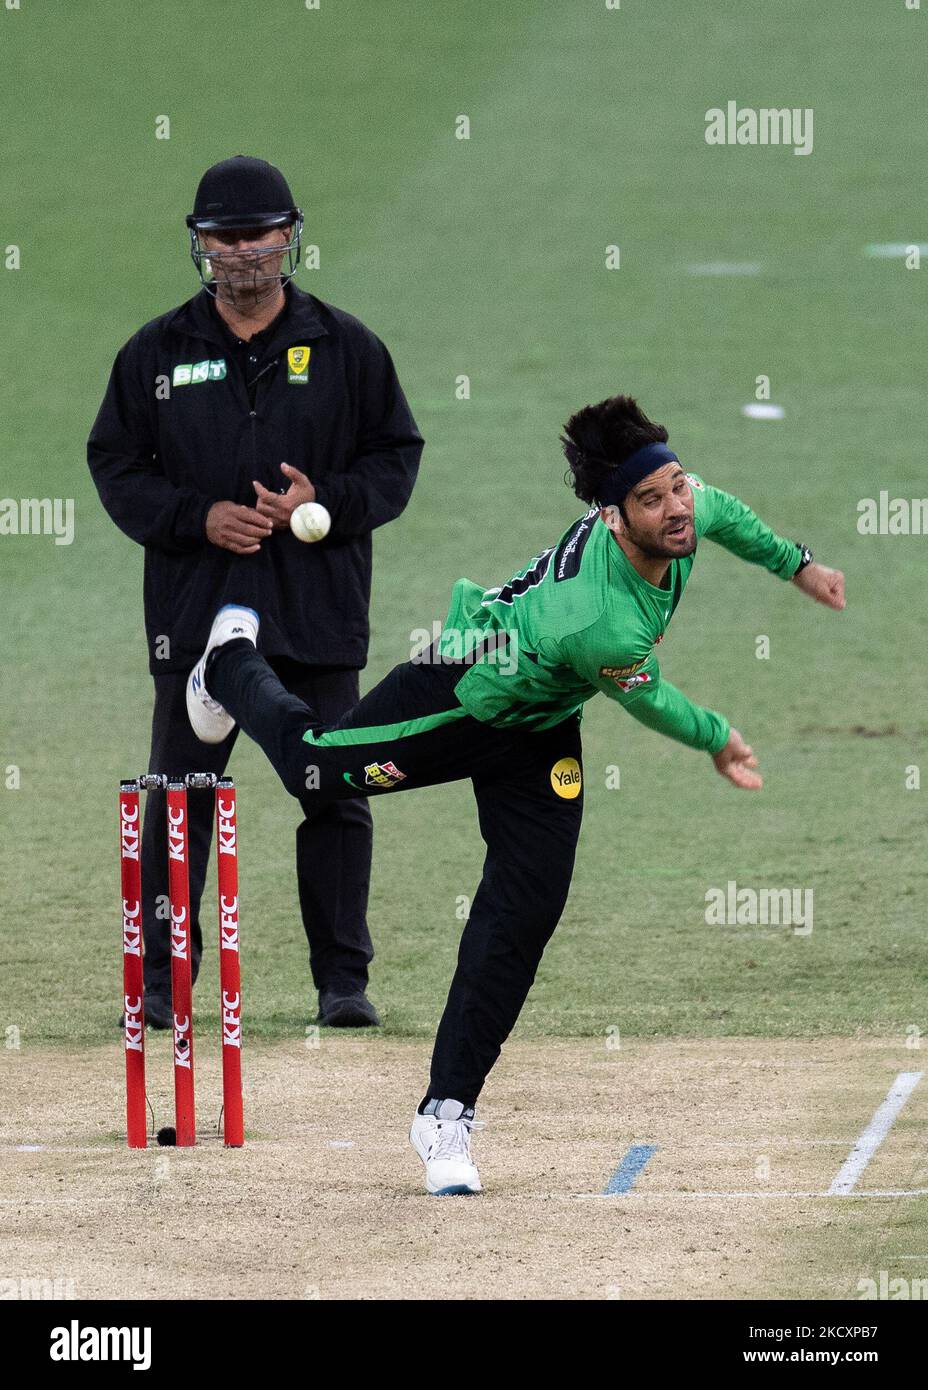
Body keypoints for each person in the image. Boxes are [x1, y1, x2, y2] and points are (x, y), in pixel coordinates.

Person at [185, 393, 845, 1196]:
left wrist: (798, 565)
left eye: (677, 486)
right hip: (464, 687)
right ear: (611, 517)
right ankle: (228, 661)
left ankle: (445, 1112)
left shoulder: (681, 510)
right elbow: (651, 700)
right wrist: (718, 736)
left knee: (524, 907)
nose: (677, 510)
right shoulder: (600, 622)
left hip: (541, 722)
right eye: (653, 499)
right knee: (316, 772)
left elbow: (728, 514)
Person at [88, 156, 423, 1030]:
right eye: (225, 237)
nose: (243, 253)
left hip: (314, 611)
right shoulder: (154, 353)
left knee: (336, 787)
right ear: (201, 245)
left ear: (289, 237)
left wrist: (325, 502)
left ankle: (342, 984)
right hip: (198, 613)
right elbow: (116, 466)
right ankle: (165, 985)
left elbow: (395, 458)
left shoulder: (349, 347)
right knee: (181, 795)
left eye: (258, 235)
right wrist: (199, 519)